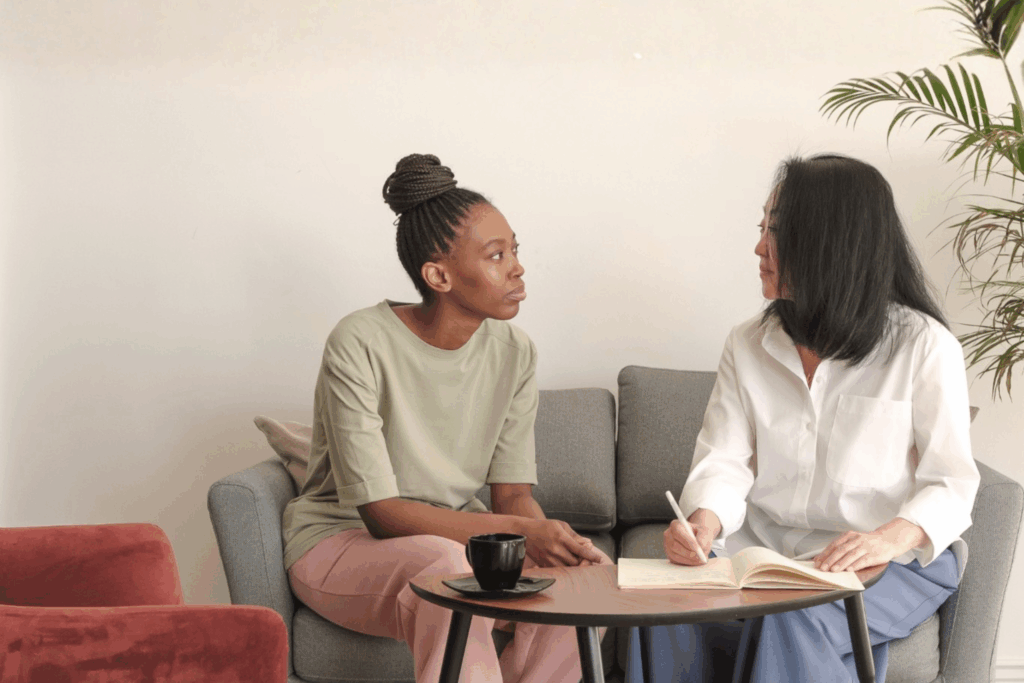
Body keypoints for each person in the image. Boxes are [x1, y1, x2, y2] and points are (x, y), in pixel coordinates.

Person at [626, 154, 980, 683]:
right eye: (761, 227)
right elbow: (725, 458)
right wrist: (705, 521)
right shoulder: (748, 343)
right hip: (768, 557)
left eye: (775, 231)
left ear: (828, 241)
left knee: (791, 619)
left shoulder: (924, 347)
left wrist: (886, 539)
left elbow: (952, 482)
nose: (758, 247)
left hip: (891, 564)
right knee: (661, 613)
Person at [282, 153, 611, 683]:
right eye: (496, 255)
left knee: (588, 579)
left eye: (515, 251)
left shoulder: (515, 352)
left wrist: (551, 541)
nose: (517, 268)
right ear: (439, 275)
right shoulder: (359, 341)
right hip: (340, 543)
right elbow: (381, 514)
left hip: (462, 546)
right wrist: (521, 531)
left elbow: (511, 497)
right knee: (444, 569)